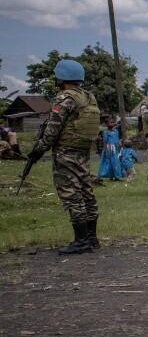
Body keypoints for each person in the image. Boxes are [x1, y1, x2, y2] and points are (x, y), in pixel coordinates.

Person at [26, 59, 101, 254]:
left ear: (62, 78)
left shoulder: (65, 98)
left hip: (66, 152)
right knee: (87, 193)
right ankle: (92, 239)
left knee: (72, 194)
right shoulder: (89, 97)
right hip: (83, 152)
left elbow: (53, 128)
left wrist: (40, 148)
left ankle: (81, 241)